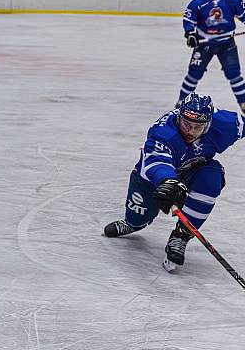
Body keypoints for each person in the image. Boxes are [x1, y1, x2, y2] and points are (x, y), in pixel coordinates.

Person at [104, 93, 245, 272]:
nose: (191, 131)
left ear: (208, 124)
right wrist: (168, 181)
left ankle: (181, 235)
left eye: (198, 127)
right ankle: (133, 223)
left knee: (212, 178)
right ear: (179, 117)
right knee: (138, 218)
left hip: (195, 169)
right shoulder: (163, 132)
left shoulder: (225, 125)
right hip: (154, 178)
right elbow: (156, 162)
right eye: (187, 124)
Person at [178, 0, 245, 110]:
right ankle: (181, 103)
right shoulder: (198, 3)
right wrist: (190, 33)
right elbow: (188, 20)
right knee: (193, 75)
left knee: (234, 75)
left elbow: (243, 15)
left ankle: (244, 104)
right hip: (204, 44)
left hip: (226, 44)